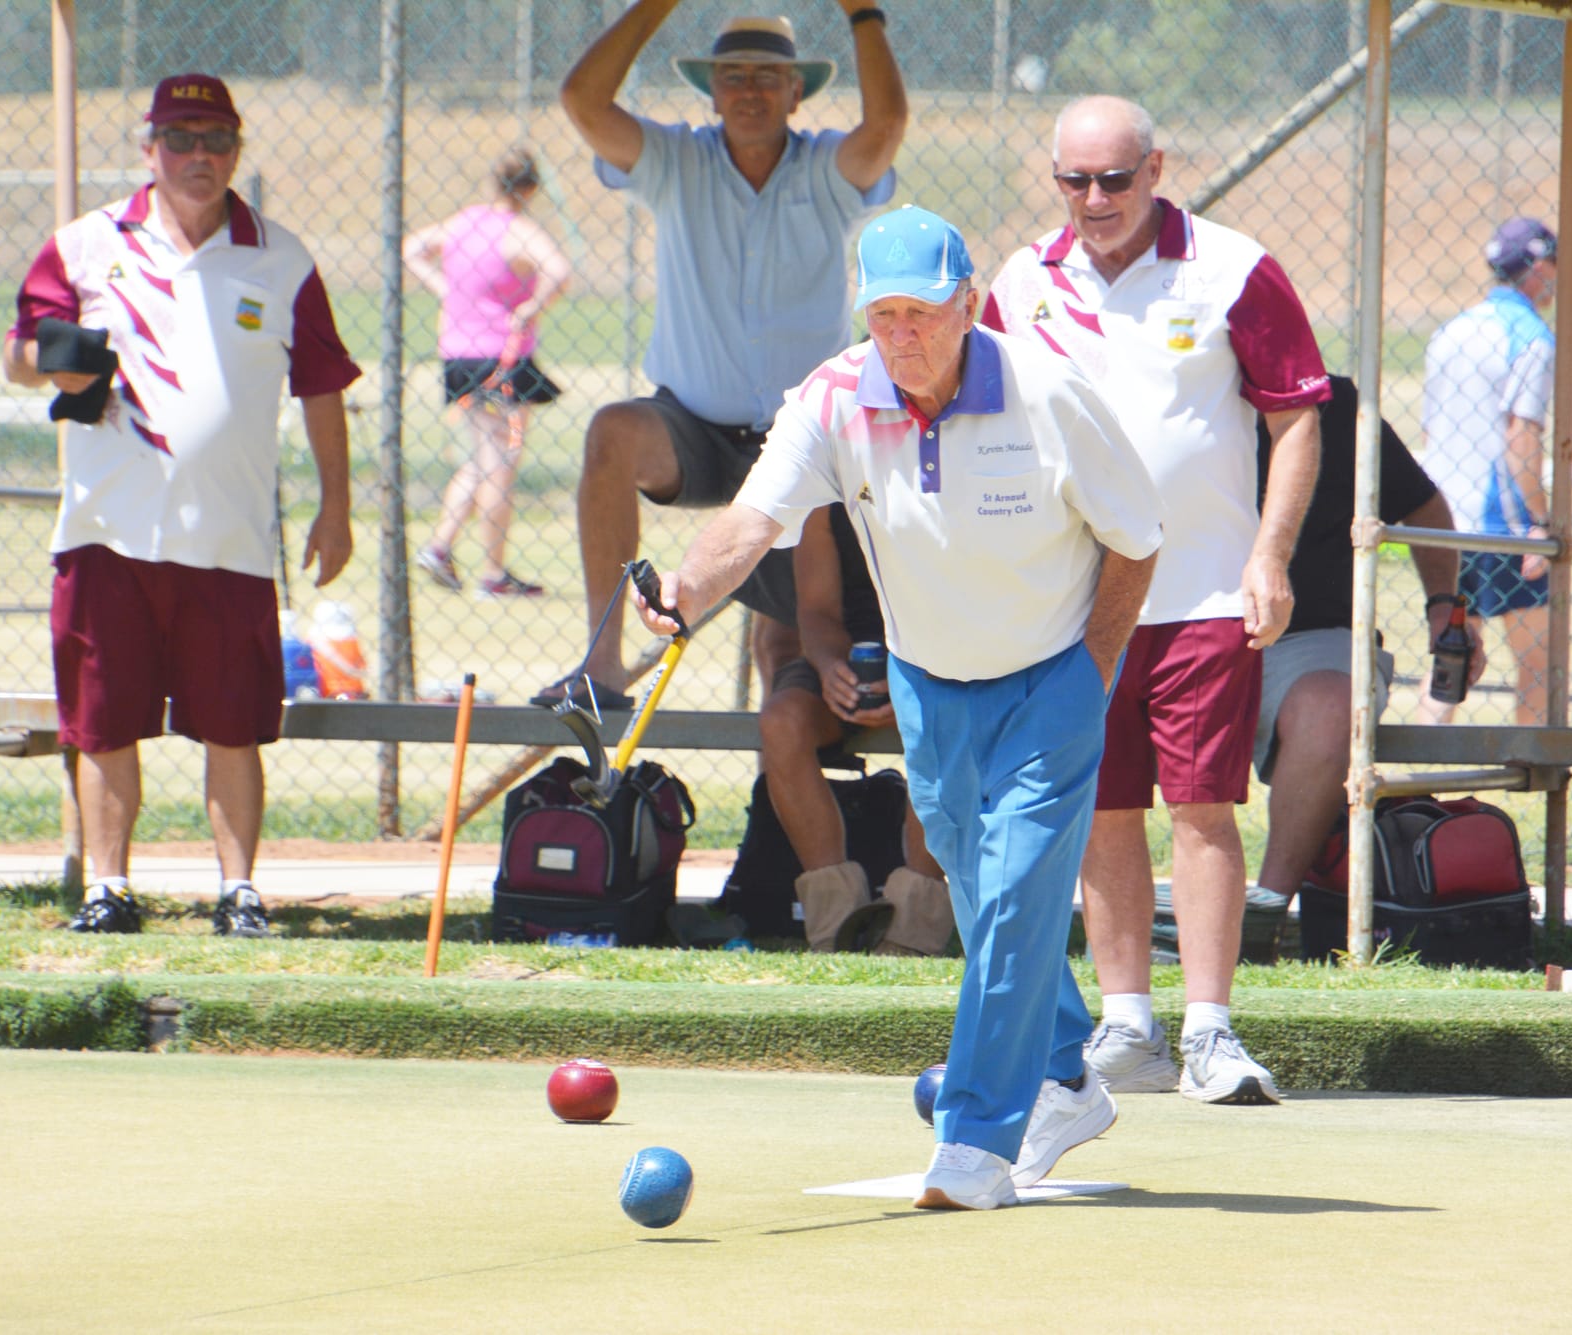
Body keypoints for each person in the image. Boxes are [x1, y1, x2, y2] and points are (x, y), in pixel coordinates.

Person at [635, 206, 1164, 1210]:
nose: (901, 337)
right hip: (928, 687)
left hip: (1049, 679)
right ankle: (1062, 1073)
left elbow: (1136, 538)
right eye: (882, 315)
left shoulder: (1049, 392)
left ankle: (971, 1142)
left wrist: (1087, 676)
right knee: (978, 893)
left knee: (1009, 902)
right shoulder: (832, 398)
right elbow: (754, 517)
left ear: (967, 304)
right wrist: (684, 593)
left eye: (920, 313)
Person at [981, 95, 1328, 1105]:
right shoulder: (1020, 279)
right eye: (1072, 181)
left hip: (1208, 591)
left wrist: (1269, 556)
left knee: (1203, 806)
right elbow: (986, 419)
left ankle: (1210, 1034)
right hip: (1073, 600)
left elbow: (1296, 419)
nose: (1093, 200)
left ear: (1155, 168)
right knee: (1100, 807)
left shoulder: (1232, 267)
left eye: (1113, 180)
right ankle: (1125, 1024)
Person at [2, 74, 359, 938]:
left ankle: (239, 891)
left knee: (233, 723)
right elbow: (18, 355)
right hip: (104, 531)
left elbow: (320, 388)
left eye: (218, 140)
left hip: (229, 537)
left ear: (238, 148)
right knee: (104, 718)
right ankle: (109, 887)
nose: (200, 157)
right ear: (148, 146)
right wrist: (64, 363)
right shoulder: (86, 245)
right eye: (181, 138)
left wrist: (336, 505)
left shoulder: (280, 257)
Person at [537, 3, 906, 710]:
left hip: (805, 439)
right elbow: (582, 99)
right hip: (694, 432)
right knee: (612, 432)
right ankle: (603, 668)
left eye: (769, 75)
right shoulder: (676, 162)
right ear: (711, 90)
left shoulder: (827, 169)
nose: (750, 90)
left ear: (797, 93)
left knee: (790, 650)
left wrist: (863, 13)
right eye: (732, 75)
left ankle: (783, 808)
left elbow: (886, 127)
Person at [1241, 375, 1487, 960]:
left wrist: (1441, 607)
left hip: (1310, 637)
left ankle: (1264, 918)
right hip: (1166, 625)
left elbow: (1422, 504)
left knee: (1332, 709)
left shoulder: (1336, 403)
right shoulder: (1147, 381)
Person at [760, 504, 949, 955]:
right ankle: (835, 927)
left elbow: (960, 608)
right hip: (848, 656)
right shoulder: (828, 484)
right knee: (782, 722)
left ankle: (911, 931)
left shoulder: (943, 473)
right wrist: (830, 669)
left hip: (936, 655)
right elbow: (817, 611)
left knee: (948, 717)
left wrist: (908, 676)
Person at [401, 148, 572, 599]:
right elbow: (560, 271)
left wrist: (446, 290)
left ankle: (440, 548)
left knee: (481, 460)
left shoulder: (464, 224)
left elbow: (413, 248)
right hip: (503, 356)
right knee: (499, 465)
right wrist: (530, 308)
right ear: (531, 189)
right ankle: (492, 573)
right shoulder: (519, 232)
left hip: (458, 354)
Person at [1417, 216, 1558, 729]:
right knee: (1540, 666)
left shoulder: (1450, 331)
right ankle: (1535, 772)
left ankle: (1412, 780)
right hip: (1502, 526)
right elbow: (1521, 436)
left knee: (1449, 662)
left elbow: (1432, 431)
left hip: (1444, 521)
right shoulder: (1532, 338)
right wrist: (1539, 522)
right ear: (1539, 267)